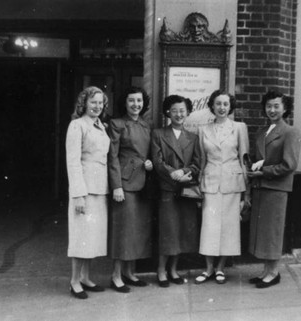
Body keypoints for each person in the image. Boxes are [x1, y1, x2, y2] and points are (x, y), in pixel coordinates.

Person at [194, 90, 250, 285]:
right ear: (212, 106)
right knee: (209, 226)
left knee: (229, 227)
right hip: (210, 182)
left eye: (225, 104)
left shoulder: (239, 127)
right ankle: (208, 268)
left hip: (233, 184)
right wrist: (199, 186)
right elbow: (201, 159)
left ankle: (220, 268)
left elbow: (244, 159)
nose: (222, 108)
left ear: (230, 106)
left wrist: (246, 192)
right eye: (218, 104)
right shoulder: (203, 129)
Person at [247, 90, 301, 288]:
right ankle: (266, 271)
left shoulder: (290, 132)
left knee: (272, 232)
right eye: (268, 106)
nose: (272, 110)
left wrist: (263, 172)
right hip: (261, 186)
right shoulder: (262, 131)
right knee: (263, 232)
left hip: (276, 188)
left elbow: (289, 165)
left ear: (285, 108)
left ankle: (274, 272)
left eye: (276, 106)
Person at [151, 95, 201, 287]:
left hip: (186, 191)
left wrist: (185, 172)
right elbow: (157, 161)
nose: (179, 114)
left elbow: (197, 164)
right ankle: (161, 270)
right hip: (168, 189)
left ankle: (174, 269)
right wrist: (173, 173)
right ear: (167, 113)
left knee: (181, 232)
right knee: (168, 231)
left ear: (188, 112)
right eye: (174, 111)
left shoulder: (193, 137)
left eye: (182, 111)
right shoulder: (158, 134)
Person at [107, 86, 154, 293]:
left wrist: (150, 163)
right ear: (124, 103)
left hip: (143, 183)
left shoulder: (146, 125)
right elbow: (112, 157)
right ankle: (116, 275)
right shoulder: (117, 124)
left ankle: (129, 273)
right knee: (123, 231)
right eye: (131, 101)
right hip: (125, 184)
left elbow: (147, 152)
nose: (136, 105)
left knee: (136, 231)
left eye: (139, 101)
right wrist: (117, 185)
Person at [66, 86, 110, 299]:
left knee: (92, 237)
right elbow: (73, 162)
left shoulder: (101, 126)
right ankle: (74, 281)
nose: (97, 106)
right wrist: (78, 195)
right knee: (80, 236)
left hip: (100, 189)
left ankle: (85, 277)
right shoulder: (77, 125)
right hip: (84, 190)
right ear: (83, 103)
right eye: (93, 102)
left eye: (100, 103)